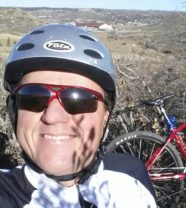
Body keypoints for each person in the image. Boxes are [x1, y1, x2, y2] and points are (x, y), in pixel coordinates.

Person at [0, 24, 157, 207]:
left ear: (105, 116)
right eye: (33, 96)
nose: (52, 116)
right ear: (15, 110)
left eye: (79, 99)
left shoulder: (132, 173)